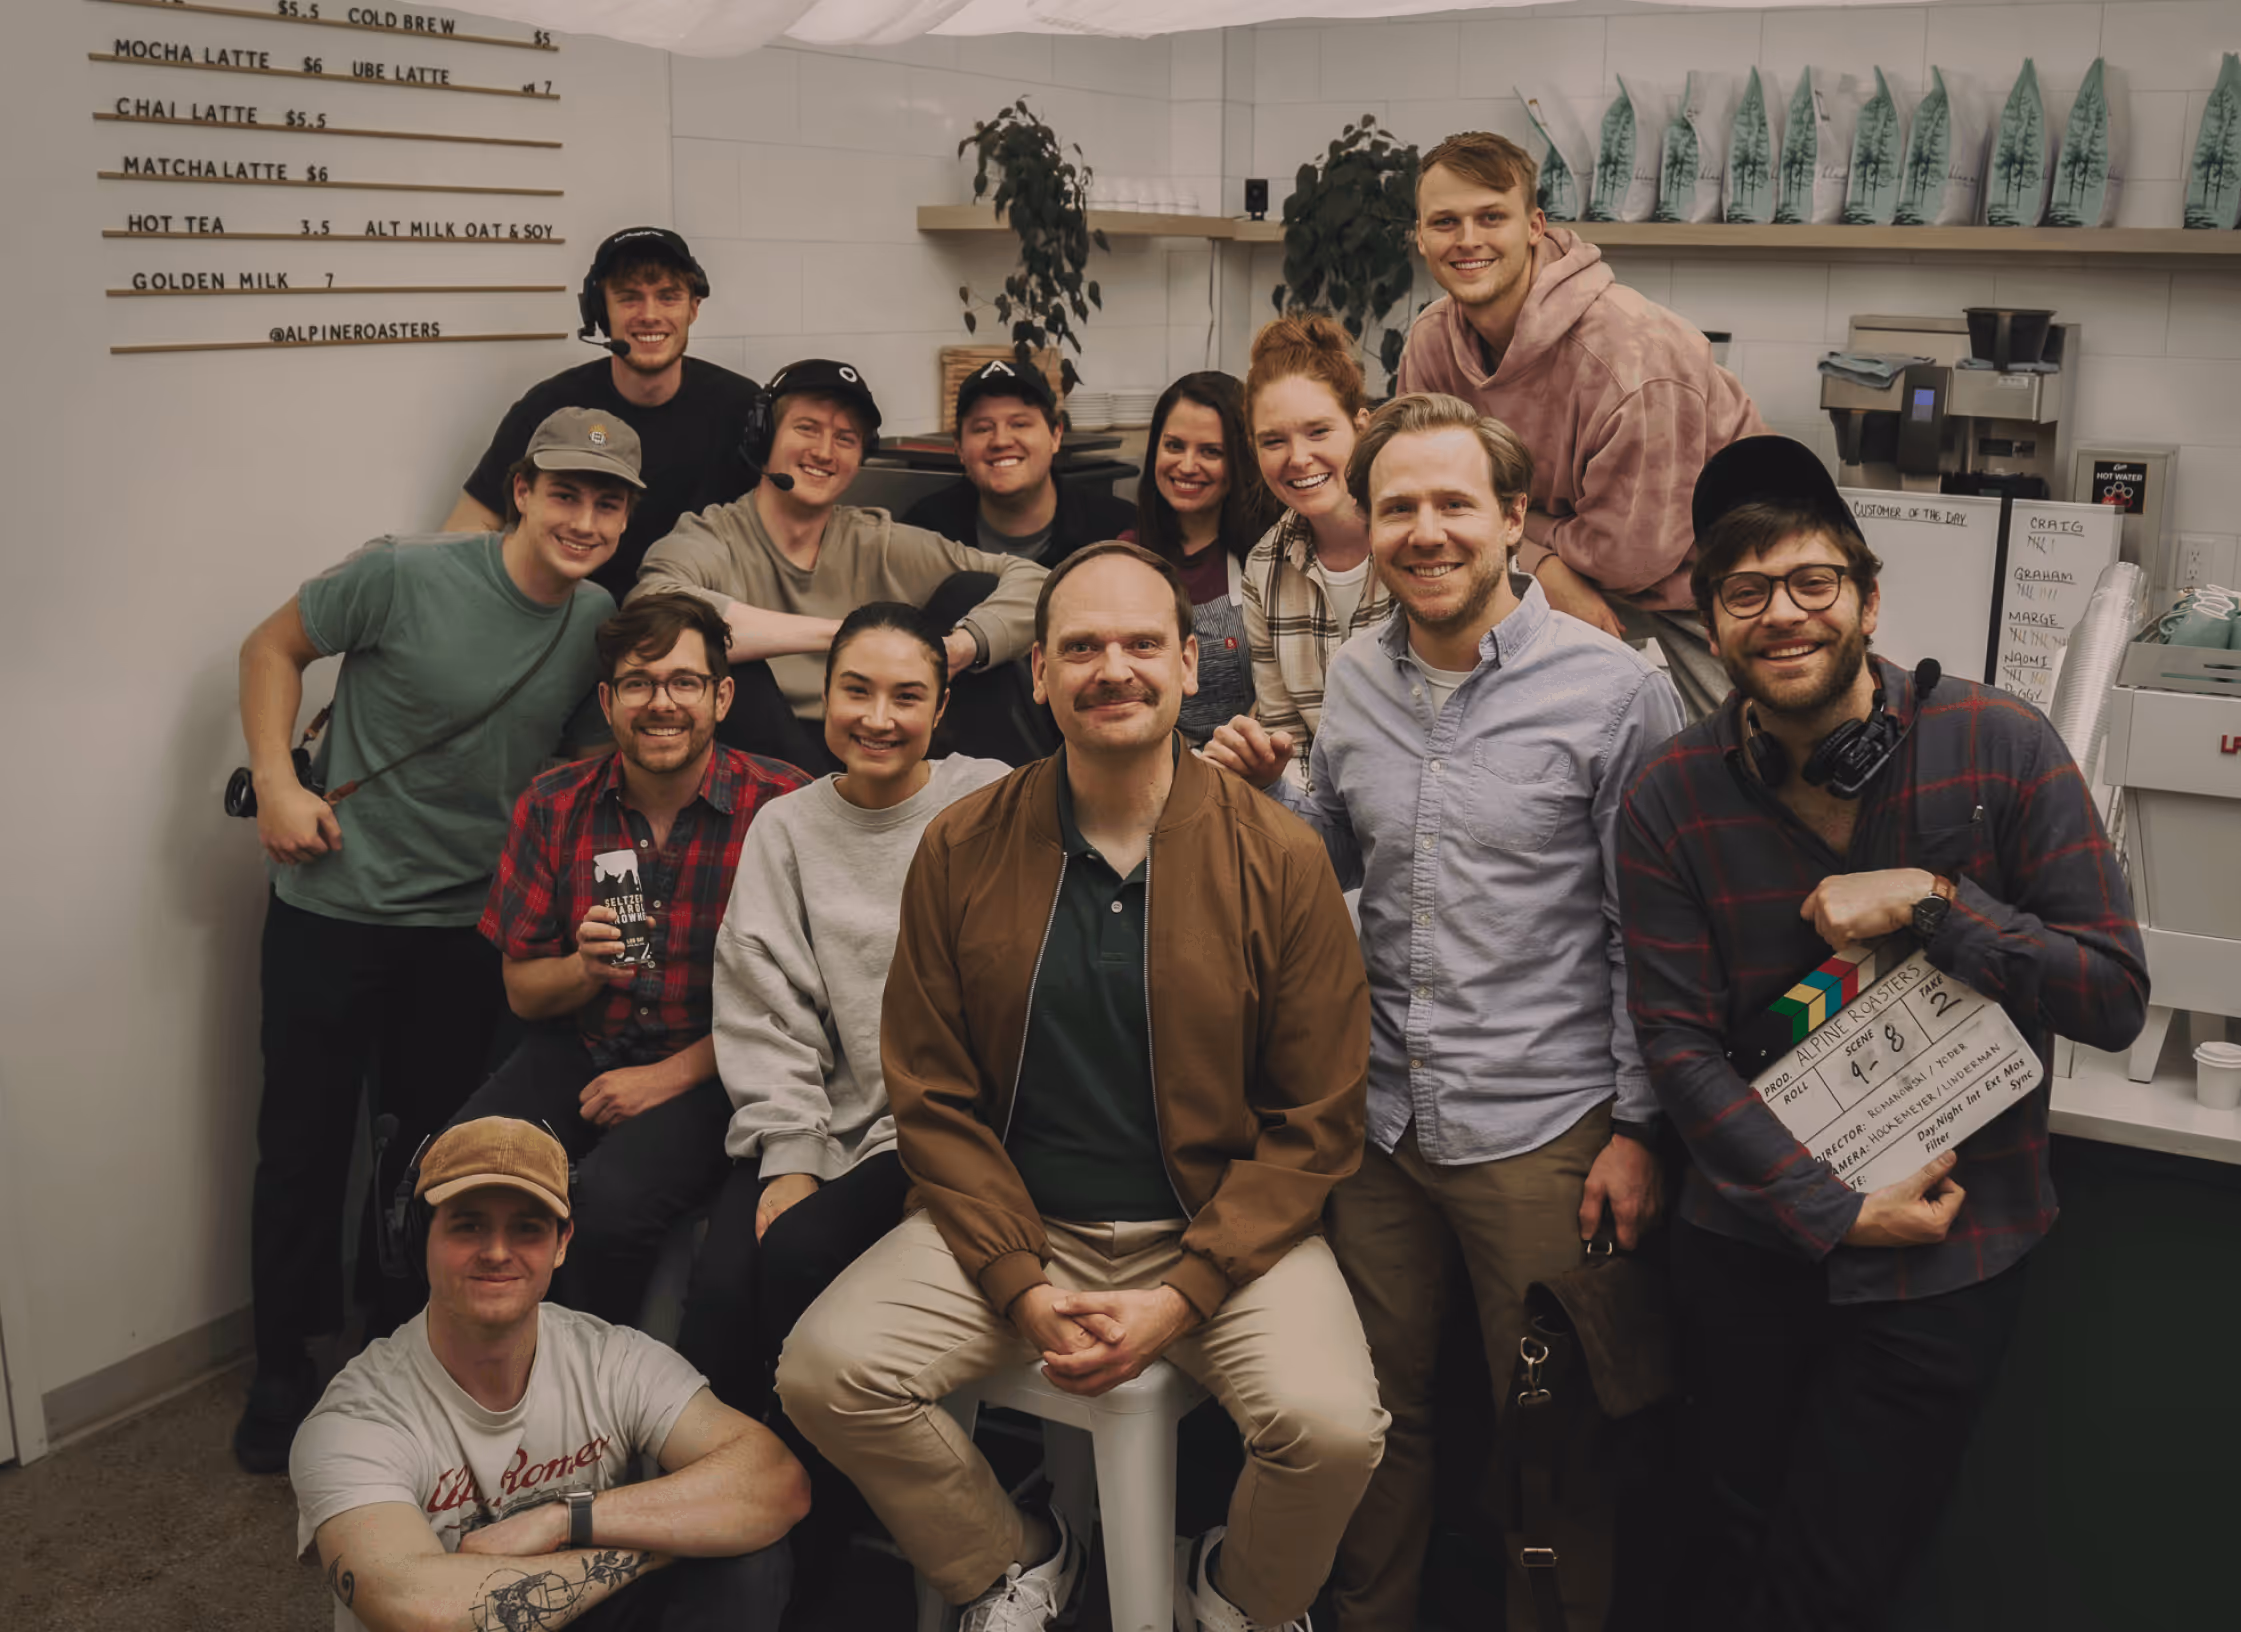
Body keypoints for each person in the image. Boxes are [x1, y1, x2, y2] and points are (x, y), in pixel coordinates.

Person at [777, 542, 1387, 1632]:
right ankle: (1013, 1556)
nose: (1116, 669)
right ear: (1040, 676)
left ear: (1192, 669)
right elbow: (931, 1091)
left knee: (1334, 1428)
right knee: (826, 1373)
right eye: (1084, 647)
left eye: (1143, 644)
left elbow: (1316, 1118)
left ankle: (1235, 1597)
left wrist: (1184, 1293)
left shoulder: (1278, 857)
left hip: (1219, 1232)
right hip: (1020, 1220)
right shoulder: (963, 845)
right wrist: (1017, 1280)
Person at [1617, 436, 2148, 1632]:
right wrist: (1829, 1207)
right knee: (1715, 1552)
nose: (1783, 615)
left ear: (1867, 598)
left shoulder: (2000, 747)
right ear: (1711, 619)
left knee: (1832, 1584)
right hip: (1747, 1252)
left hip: (1946, 1258)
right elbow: (1680, 1048)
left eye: (1811, 582)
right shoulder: (1671, 796)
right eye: (1744, 593)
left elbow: (2112, 996)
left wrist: (1934, 904)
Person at [1207, 393, 1683, 1632]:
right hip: (1379, 1128)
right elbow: (1345, 855)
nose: (1425, 531)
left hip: (1546, 1134)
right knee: (1377, 1425)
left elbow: (1656, 929)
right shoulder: (1358, 677)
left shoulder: (1615, 693)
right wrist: (1276, 799)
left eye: (1454, 503)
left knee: (1551, 1441)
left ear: (1515, 519)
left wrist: (1639, 1126)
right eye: (1400, 506)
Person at [234, 408, 635, 1475]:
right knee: (306, 1146)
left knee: (429, 1160)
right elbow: (271, 647)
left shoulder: (596, 618)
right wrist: (277, 780)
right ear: (522, 490)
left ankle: (400, 1352)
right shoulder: (404, 573)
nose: (583, 519)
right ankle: (284, 1364)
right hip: (335, 906)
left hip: (470, 933)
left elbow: (583, 782)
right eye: (566, 493)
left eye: (606, 502)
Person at [682, 602, 1010, 1418]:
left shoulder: (992, 801)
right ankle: (729, 1518)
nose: (877, 718)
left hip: (944, 1123)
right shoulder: (786, 825)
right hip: (821, 1113)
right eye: (854, 691)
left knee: (799, 1259)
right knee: (720, 1293)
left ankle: (823, 1522)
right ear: (823, 698)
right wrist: (793, 1151)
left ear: (940, 710)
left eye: (906, 697)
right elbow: (764, 1002)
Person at [292, 1116, 807, 1632]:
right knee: (722, 1534)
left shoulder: (612, 1360)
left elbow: (777, 1482)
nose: (496, 1252)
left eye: (527, 1228)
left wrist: (565, 1520)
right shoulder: (356, 1419)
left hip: (575, 1609)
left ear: (561, 1245)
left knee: (750, 1561)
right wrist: (659, 1547)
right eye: (469, 1225)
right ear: (418, 1239)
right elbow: (416, 1609)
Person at [453, 593, 807, 1329]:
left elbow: (810, 1009)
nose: (662, 703)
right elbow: (522, 993)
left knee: (608, 1205)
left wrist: (664, 1079)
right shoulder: (554, 803)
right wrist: (584, 971)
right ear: (609, 701)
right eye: (639, 683)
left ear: (721, 695)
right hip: (585, 1043)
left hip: (725, 1066)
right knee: (468, 1170)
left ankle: (600, 1411)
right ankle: (482, 1380)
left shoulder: (785, 807)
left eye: (684, 682)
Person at [1395, 131, 1766, 720]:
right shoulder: (1430, 343)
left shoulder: (1632, 357)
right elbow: (1415, 493)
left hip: (1710, 585)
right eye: (1445, 222)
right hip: (1540, 575)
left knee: (1744, 772)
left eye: (1491, 217)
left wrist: (1527, 545)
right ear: (1419, 236)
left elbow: (1631, 558)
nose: (1467, 240)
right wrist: (1543, 566)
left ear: (1535, 225)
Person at [634, 358, 1050, 771]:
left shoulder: (877, 540)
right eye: (807, 428)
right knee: (730, 667)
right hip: (769, 767)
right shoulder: (713, 536)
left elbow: (1038, 582)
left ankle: (1006, 813)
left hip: (879, 749)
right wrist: (854, 636)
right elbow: (651, 608)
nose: (824, 451)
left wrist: (963, 646)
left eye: (845, 438)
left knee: (973, 593)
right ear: (763, 438)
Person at [446, 227, 761, 600]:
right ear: (600, 311)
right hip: (568, 622)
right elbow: (465, 535)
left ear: (693, 307)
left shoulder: (743, 405)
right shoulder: (549, 407)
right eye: (629, 298)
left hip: (696, 623)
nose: (649, 315)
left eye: (668, 297)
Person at [1241, 315, 1393, 786]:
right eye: (1274, 441)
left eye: (1319, 431)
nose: (1298, 457)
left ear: (1360, 426)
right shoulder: (1263, 568)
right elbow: (1287, 738)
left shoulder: (1421, 543)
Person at [1132, 371, 1279, 746]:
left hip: (1249, 761)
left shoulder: (1272, 556)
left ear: (1241, 461)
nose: (1186, 465)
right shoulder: (1127, 558)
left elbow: (1286, 694)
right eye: (1174, 446)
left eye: (1211, 452)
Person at [901, 358, 1137, 564]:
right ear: (959, 446)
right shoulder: (923, 534)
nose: (1001, 441)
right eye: (983, 428)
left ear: (1055, 436)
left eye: (1020, 424)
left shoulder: (1118, 535)